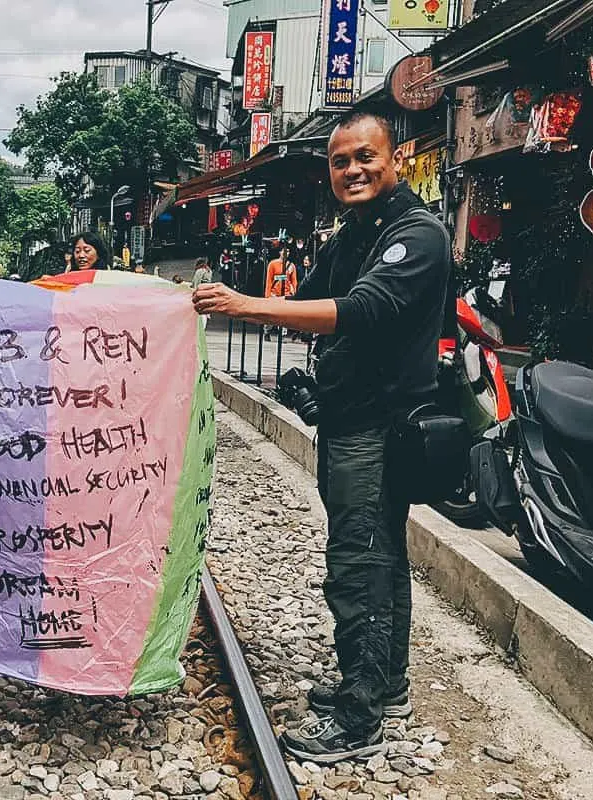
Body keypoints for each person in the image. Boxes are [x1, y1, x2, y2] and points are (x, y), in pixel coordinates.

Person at [192, 112, 450, 762]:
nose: (354, 170)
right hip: (349, 422)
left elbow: (360, 312)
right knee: (383, 562)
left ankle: (361, 720)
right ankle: (385, 688)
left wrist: (243, 306)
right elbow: (309, 301)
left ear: (394, 160)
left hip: (381, 429)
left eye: (366, 157)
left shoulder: (415, 234)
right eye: (340, 162)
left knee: (359, 569)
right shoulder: (356, 233)